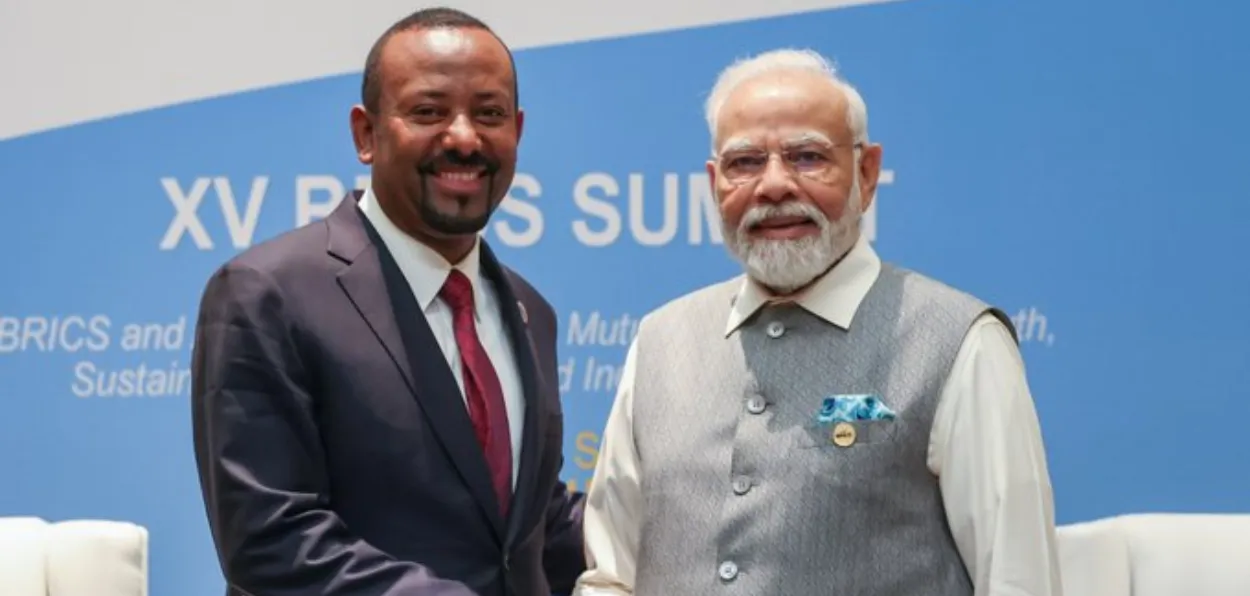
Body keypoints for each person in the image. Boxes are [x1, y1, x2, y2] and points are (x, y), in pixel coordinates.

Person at [573, 48, 1063, 596]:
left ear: (867, 173)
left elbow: (1019, 581)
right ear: (715, 182)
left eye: (807, 157)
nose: (775, 185)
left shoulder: (960, 341)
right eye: (745, 162)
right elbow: (610, 578)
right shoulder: (660, 341)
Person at [190, 7, 585, 595]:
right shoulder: (266, 294)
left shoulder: (531, 312)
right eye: (428, 112)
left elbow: (530, 525)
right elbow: (271, 540)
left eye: (490, 114)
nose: (463, 137)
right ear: (365, 134)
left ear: (518, 132)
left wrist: (689, 532)